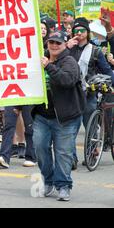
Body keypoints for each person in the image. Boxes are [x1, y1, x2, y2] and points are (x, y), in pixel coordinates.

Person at [33, 30, 85, 201]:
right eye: (51, 42)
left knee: (63, 153)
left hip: (66, 118)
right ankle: (48, 181)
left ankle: (63, 185)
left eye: (58, 43)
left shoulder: (69, 61)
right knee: (40, 148)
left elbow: (67, 80)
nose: (54, 45)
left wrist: (48, 66)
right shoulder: (39, 59)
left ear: (65, 45)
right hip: (42, 116)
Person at [66, 17, 114, 168]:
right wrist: (66, 47)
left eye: (82, 31)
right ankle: (71, 158)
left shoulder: (95, 50)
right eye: (76, 30)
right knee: (70, 128)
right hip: (70, 94)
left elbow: (107, 70)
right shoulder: (67, 48)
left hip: (89, 93)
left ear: (87, 32)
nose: (79, 33)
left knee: (90, 125)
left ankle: (92, 151)